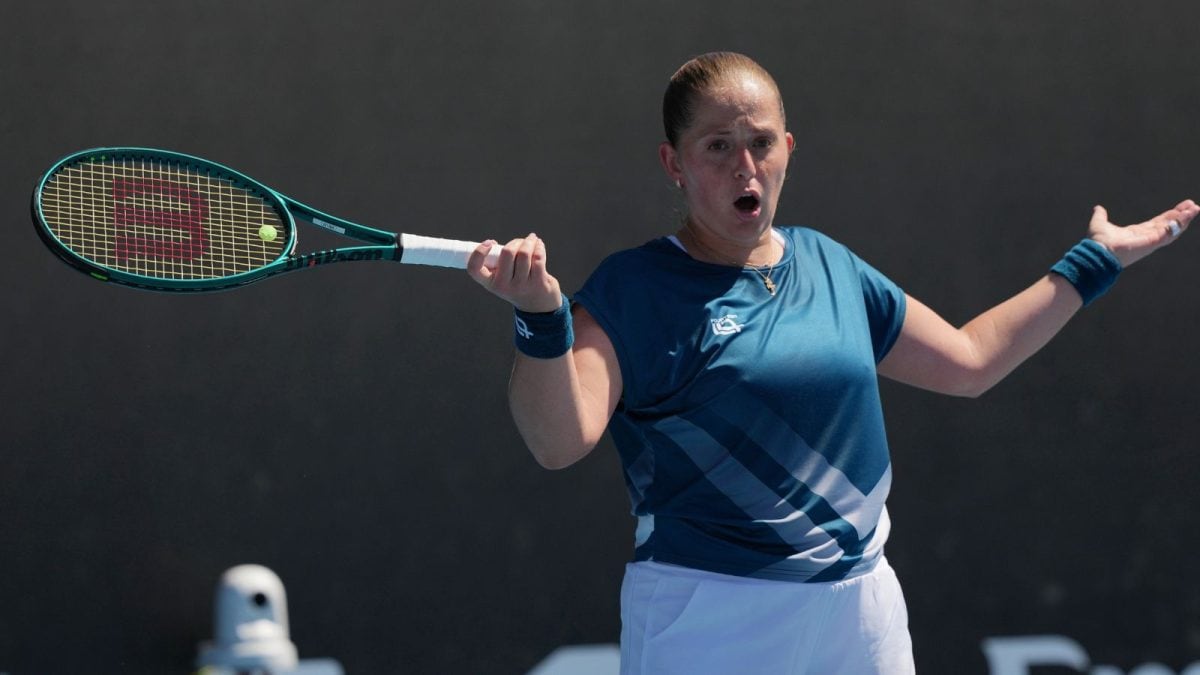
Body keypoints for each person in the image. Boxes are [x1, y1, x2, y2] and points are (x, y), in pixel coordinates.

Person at [466, 51, 1196, 674]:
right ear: (674, 164)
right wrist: (540, 320)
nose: (744, 165)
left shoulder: (832, 266)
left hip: (862, 610)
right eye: (717, 146)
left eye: (760, 142)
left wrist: (1093, 262)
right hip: (709, 612)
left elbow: (971, 360)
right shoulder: (634, 289)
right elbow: (559, 439)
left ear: (788, 147)